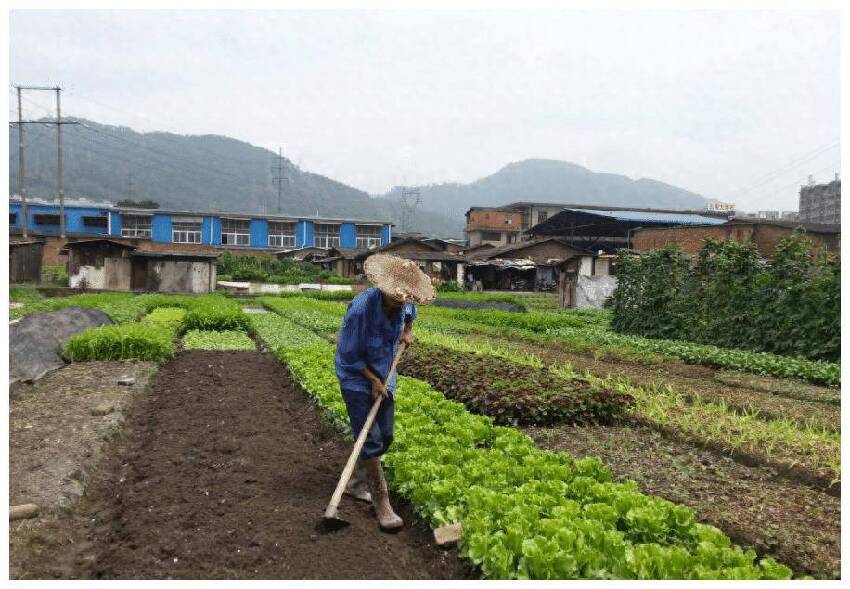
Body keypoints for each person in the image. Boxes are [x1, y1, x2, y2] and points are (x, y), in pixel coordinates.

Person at [334, 254, 435, 531]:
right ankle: (381, 500)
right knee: (371, 438)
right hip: (356, 377)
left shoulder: (404, 304)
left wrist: (407, 332)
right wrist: (371, 380)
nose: (400, 302)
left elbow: (410, 315)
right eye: (395, 298)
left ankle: (355, 481)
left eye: (404, 298)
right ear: (383, 290)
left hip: (385, 372)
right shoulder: (360, 311)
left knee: (385, 435)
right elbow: (349, 354)